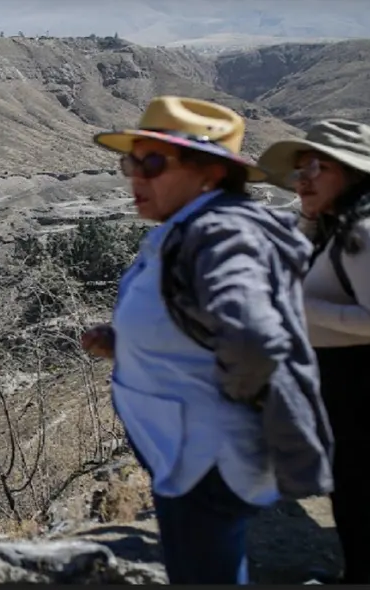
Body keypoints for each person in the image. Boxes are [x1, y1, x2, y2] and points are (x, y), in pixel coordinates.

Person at [81, 96, 334, 585]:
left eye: (153, 163)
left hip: (205, 455)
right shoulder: (194, 225)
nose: (136, 177)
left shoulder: (219, 232)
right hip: (187, 451)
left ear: (211, 173)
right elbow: (198, 322)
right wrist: (125, 343)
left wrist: (235, 395)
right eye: (131, 162)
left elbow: (253, 337)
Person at [258, 120, 370, 584]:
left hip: (358, 379)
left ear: (351, 171)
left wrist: (304, 306)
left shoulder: (363, 232)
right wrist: (308, 218)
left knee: (358, 488)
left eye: (315, 168)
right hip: (340, 376)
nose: (301, 180)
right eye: (299, 170)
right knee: (349, 484)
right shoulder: (336, 225)